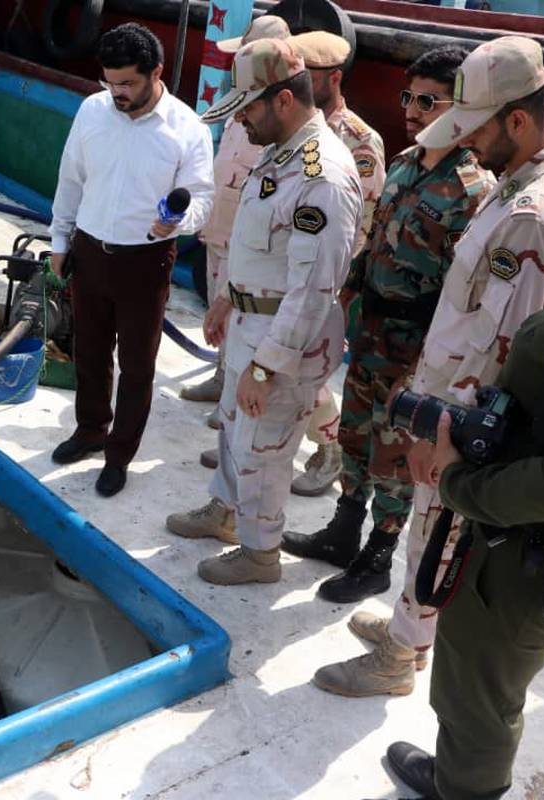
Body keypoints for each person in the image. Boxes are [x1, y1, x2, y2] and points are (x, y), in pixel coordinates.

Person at [312, 36, 544, 698]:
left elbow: (501, 351)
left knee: (436, 531)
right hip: (443, 393)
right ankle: (413, 631)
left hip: (462, 419)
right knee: (431, 527)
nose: (467, 140)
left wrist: (443, 433)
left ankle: (398, 658)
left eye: (476, 126)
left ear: (516, 119)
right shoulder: (515, 188)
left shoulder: (531, 216)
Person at [383, 67, 544, 800]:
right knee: (469, 682)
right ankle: (459, 775)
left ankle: (467, 786)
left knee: (481, 693)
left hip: (528, 541)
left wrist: (461, 480)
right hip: (515, 517)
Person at [281, 48, 496, 614]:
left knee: (396, 455)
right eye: (408, 97)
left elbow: (466, 294)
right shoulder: (404, 163)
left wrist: (431, 368)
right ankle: (343, 529)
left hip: (415, 346)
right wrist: (346, 295)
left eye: (428, 101)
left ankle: (378, 556)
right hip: (371, 331)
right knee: (355, 435)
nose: (412, 110)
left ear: (461, 107)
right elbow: (375, 239)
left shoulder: (473, 188)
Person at [164, 38, 362, 583]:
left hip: (284, 340)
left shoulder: (321, 176)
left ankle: (260, 553)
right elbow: (259, 242)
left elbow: (314, 289)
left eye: (247, 108)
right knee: (234, 429)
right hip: (251, 324)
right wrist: (227, 297)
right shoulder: (281, 151)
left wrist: (265, 365)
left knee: (264, 450)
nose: (240, 120)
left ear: (283, 100)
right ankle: (226, 512)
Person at [47, 22, 215, 498]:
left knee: (138, 365)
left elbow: (203, 198)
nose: (116, 92)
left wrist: (175, 224)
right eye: (109, 81)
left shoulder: (188, 129)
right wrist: (59, 241)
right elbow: (71, 178)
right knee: (89, 351)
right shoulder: (92, 111)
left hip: (145, 260)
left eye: (127, 83)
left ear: (156, 72)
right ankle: (90, 430)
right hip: (89, 251)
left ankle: (119, 455)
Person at [179, 15, 293, 472]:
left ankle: (232, 390)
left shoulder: (278, 127)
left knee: (240, 321)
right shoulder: (240, 110)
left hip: (247, 243)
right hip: (220, 228)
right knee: (217, 310)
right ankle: (220, 376)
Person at [286, 30, 388, 497]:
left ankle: (329, 447)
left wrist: (340, 288)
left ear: (334, 78)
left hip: (329, 277)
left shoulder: (360, 141)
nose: (298, 84)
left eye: (308, 75)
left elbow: (364, 225)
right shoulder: (292, 125)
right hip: (289, 267)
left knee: (308, 371)